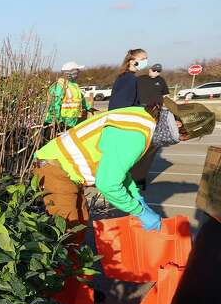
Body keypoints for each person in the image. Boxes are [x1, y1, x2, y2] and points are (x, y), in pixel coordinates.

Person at [33, 98, 215, 243]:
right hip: (56, 169)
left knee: (79, 226)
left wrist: (135, 195)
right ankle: (60, 286)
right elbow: (108, 184)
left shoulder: (145, 118)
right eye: (185, 138)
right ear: (180, 127)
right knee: (66, 233)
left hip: (65, 168)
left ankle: (73, 280)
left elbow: (118, 166)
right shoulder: (136, 135)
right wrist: (139, 211)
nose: (179, 141)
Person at [132, 64, 172, 189]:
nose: (155, 73)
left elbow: (166, 96)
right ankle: (133, 177)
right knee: (138, 145)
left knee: (151, 146)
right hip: (141, 112)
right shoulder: (140, 79)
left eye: (158, 71)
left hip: (156, 114)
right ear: (149, 70)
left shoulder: (161, 81)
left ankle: (139, 179)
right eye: (153, 70)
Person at [44, 61, 93, 128]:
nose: (79, 73)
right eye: (76, 72)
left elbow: (80, 99)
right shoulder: (59, 86)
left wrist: (89, 108)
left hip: (72, 120)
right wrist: (58, 121)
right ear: (70, 74)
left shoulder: (74, 85)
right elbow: (55, 105)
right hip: (61, 122)